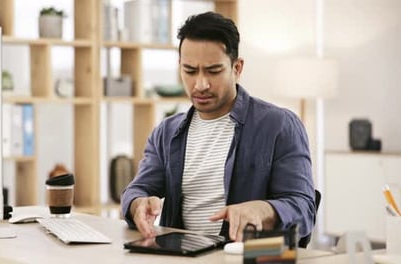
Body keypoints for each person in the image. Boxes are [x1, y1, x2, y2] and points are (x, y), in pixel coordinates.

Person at [121, 11, 316, 243]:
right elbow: (137, 190)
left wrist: (263, 210)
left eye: (213, 71)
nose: (201, 84)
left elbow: (303, 209)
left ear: (237, 68)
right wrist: (137, 205)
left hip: (246, 257)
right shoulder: (166, 132)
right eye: (190, 71)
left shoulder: (279, 125)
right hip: (182, 259)